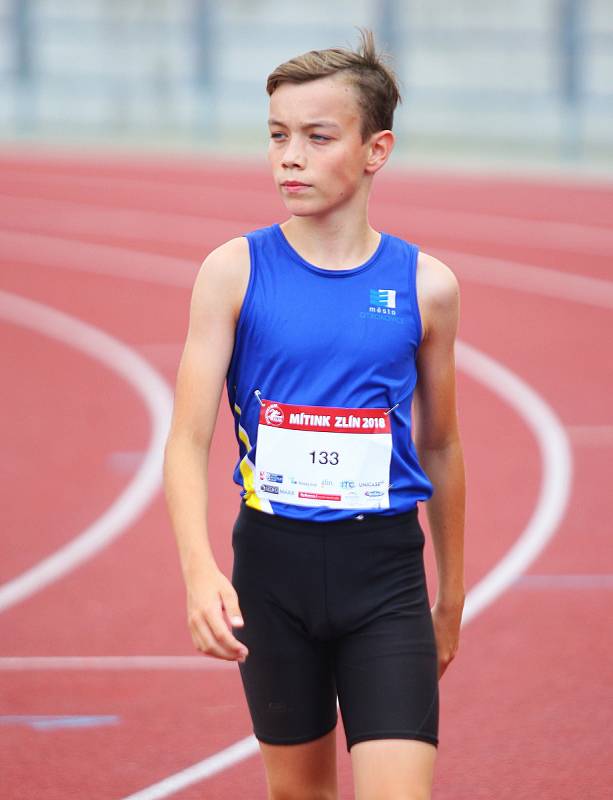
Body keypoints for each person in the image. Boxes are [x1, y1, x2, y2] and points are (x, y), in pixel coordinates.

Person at [164, 29, 465, 800]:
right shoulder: (233, 271)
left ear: (375, 150)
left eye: (316, 137)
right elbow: (188, 436)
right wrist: (199, 571)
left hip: (386, 575)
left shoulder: (425, 285)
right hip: (272, 574)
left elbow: (441, 444)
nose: (287, 157)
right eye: (276, 136)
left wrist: (451, 596)